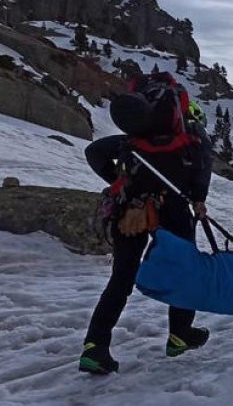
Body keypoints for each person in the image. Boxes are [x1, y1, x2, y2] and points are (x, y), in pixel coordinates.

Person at [79, 77, 213, 375]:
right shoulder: (194, 138)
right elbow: (202, 173)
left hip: (128, 209)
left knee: (121, 279)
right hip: (173, 209)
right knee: (184, 270)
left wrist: (118, 180)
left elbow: (94, 152)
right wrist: (199, 199)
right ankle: (180, 334)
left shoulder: (133, 140)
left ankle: (95, 346)